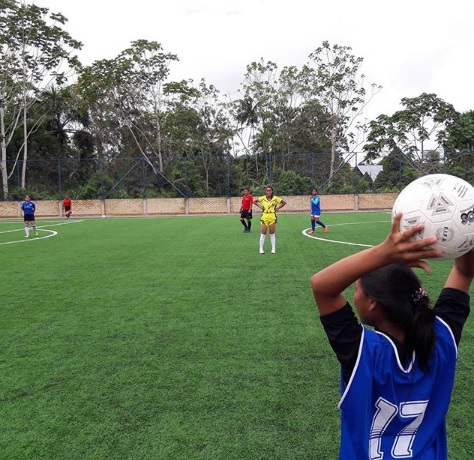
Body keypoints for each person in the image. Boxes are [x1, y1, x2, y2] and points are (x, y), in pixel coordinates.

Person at [310, 213, 473, 459]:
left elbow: (322, 286)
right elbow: (464, 271)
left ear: (373, 303)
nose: (354, 297)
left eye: (357, 291)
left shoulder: (364, 352)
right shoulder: (442, 336)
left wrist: (383, 253)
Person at [253, 185, 287, 254]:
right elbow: (254, 201)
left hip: (272, 217)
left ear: (272, 191)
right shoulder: (262, 198)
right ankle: (261, 249)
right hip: (264, 216)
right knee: (263, 233)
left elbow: (284, 202)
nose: (268, 192)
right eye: (267, 190)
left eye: (270, 190)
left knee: (272, 233)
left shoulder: (275, 198)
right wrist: (260, 206)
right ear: (265, 191)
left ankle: (273, 249)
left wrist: (277, 208)